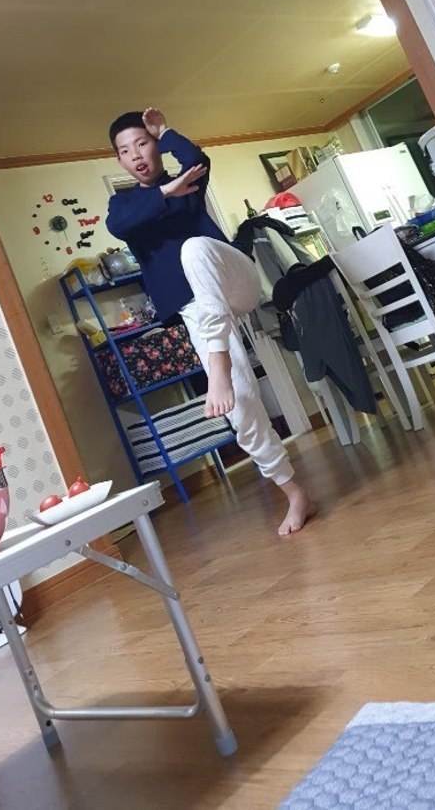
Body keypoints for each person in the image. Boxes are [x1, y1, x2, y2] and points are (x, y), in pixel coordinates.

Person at [106, 107, 316, 536]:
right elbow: (119, 224)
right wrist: (165, 192)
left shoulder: (189, 182)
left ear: (155, 146)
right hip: (200, 311)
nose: (136, 155)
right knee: (240, 403)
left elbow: (197, 158)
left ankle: (216, 367)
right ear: (120, 161)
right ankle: (295, 492)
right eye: (125, 151)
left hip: (234, 278)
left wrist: (165, 131)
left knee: (193, 249)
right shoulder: (125, 205)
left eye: (143, 143)